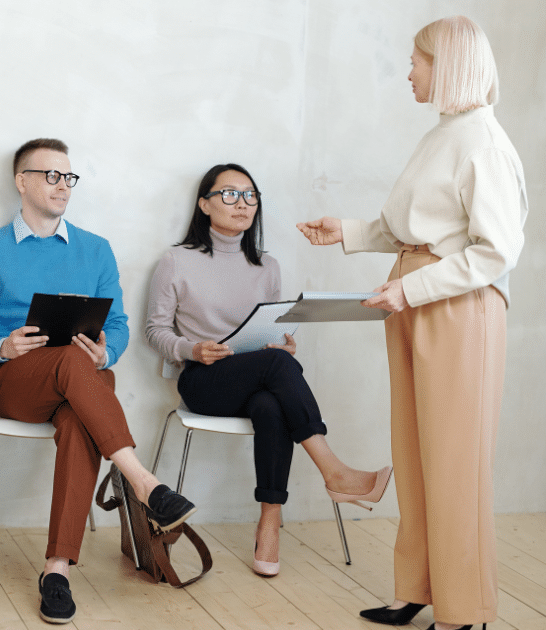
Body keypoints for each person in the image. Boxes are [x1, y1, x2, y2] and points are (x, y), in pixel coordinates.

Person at [299, 16, 526, 630]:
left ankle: (464, 608)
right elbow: (419, 225)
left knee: (455, 462)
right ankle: (420, 588)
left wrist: (413, 288)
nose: (408, 72)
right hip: (416, 299)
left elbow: (496, 251)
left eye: (418, 61)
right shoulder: (446, 135)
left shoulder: (483, 142)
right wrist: (347, 232)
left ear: (447, 64)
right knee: (418, 451)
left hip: (456, 310)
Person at [0, 138, 196, 624]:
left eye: (69, 177)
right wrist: (3, 346)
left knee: (78, 413)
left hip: (77, 387)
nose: (64, 186)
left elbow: (121, 324)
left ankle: (56, 570)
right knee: (70, 361)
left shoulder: (96, 249)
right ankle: (144, 482)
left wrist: (108, 350)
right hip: (15, 384)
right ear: (22, 181)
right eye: (52, 176)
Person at [145, 163, 393, 578]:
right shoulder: (176, 261)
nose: (242, 204)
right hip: (203, 381)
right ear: (204, 204)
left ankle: (269, 523)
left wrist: (282, 344)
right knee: (278, 367)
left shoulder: (268, 266)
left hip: (254, 378)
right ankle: (334, 470)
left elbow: (270, 328)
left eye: (250, 195)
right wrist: (192, 348)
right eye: (228, 194)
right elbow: (155, 329)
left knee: (270, 401)